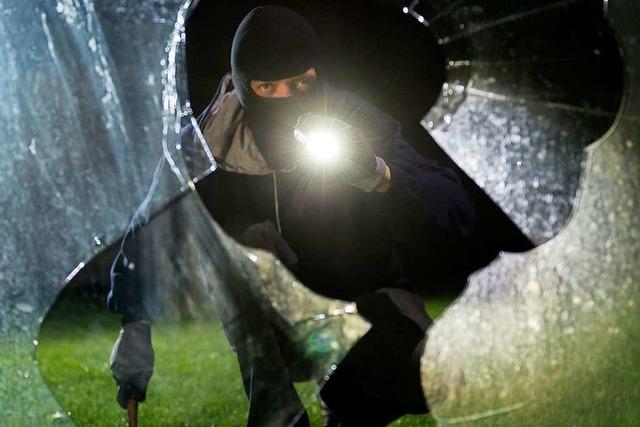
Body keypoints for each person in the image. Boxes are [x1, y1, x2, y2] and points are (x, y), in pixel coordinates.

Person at [108, 6, 474, 426]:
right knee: (234, 235)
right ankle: (276, 410)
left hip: (361, 302)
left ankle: (350, 395)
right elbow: (155, 220)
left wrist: (378, 174)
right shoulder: (209, 143)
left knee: (420, 380)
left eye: (301, 83)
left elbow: (454, 207)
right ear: (246, 86)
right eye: (269, 87)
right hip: (270, 322)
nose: (287, 97)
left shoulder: (355, 120)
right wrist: (134, 321)